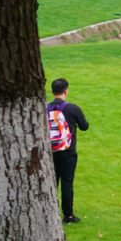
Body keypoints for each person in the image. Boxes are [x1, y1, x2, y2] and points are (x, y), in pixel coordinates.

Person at [48, 78, 89, 223]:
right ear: (66, 91)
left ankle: (49, 213)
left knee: (50, 183)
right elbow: (84, 126)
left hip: (49, 152)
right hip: (67, 151)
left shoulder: (44, 108)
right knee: (66, 183)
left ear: (52, 91)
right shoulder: (72, 108)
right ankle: (68, 215)